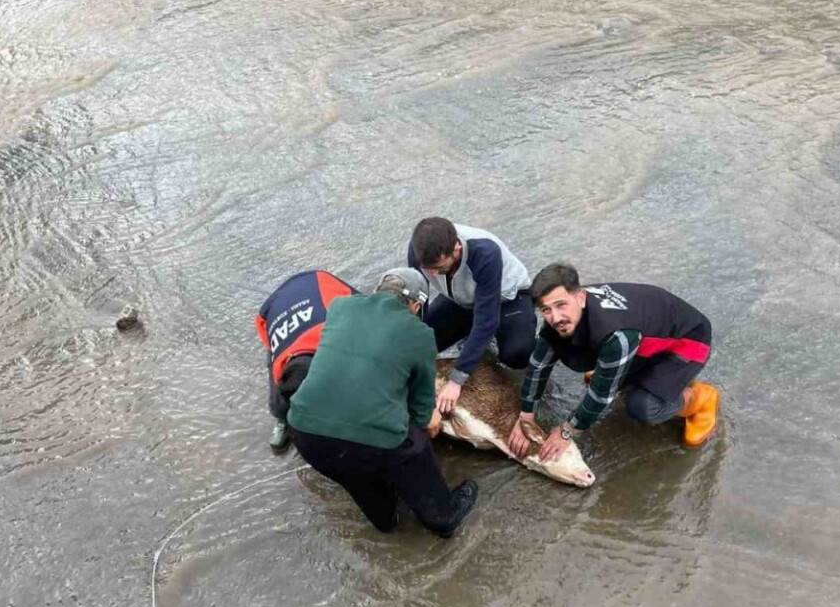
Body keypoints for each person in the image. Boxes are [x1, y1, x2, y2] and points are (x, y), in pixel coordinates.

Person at [287, 268, 479, 537]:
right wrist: (431, 420)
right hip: (369, 438)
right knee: (413, 440)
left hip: (305, 432)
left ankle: (385, 517)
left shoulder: (341, 307)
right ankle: (443, 516)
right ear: (415, 304)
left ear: (379, 289)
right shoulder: (419, 333)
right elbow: (422, 409)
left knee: (359, 479)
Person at [508, 263, 720, 463]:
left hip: (688, 341)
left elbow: (601, 396)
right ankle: (621, 371)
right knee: (593, 362)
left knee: (642, 406)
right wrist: (526, 416)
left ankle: (699, 399)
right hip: (644, 336)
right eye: (546, 310)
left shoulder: (616, 334)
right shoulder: (566, 313)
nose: (555, 318)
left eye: (561, 305)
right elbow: (539, 365)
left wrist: (566, 430)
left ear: (580, 297)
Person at [407, 217, 533, 417]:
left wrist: (456, 381)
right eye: (428, 268)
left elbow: (486, 320)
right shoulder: (419, 251)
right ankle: (470, 338)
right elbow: (417, 298)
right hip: (460, 300)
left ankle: (488, 342)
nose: (432, 273)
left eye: (438, 268)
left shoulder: (485, 253)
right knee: (419, 343)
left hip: (506, 299)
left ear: (456, 249)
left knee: (517, 354)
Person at [255, 269, 358, 452]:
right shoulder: (280, 372)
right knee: (280, 408)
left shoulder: (343, 333)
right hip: (270, 311)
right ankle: (285, 421)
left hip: (320, 284)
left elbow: (374, 315)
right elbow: (270, 345)